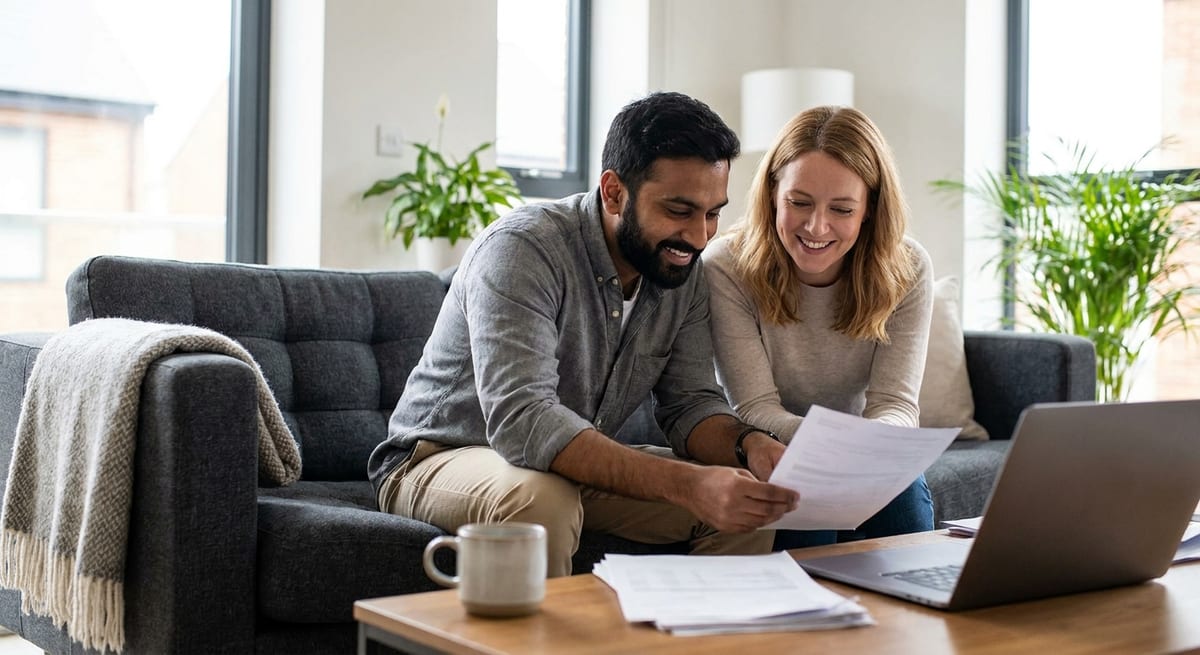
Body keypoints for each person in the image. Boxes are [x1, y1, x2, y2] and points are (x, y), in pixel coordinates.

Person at [368, 91, 799, 577]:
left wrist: (748, 445)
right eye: (679, 210)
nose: (700, 237)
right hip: (439, 457)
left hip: (563, 465)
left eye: (712, 212)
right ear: (614, 192)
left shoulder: (681, 269)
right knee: (541, 502)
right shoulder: (523, 249)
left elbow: (691, 404)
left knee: (745, 503)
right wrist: (684, 484)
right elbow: (522, 420)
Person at [702, 105, 935, 550]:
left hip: (865, 454)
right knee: (805, 509)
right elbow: (753, 408)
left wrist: (867, 448)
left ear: (869, 209)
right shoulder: (727, 268)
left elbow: (896, 407)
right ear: (773, 194)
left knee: (904, 504)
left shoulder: (908, 268)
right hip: (773, 451)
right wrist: (836, 450)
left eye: (842, 209)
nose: (816, 227)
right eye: (799, 202)